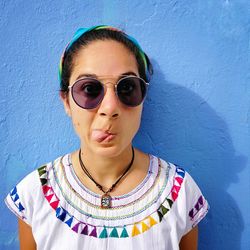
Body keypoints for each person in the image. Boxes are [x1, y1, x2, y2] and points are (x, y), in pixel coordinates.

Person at [5, 25, 209, 250]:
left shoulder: (179, 193)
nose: (110, 107)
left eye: (127, 88)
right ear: (66, 101)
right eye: (90, 89)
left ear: (143, 97)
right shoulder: (36, 194)